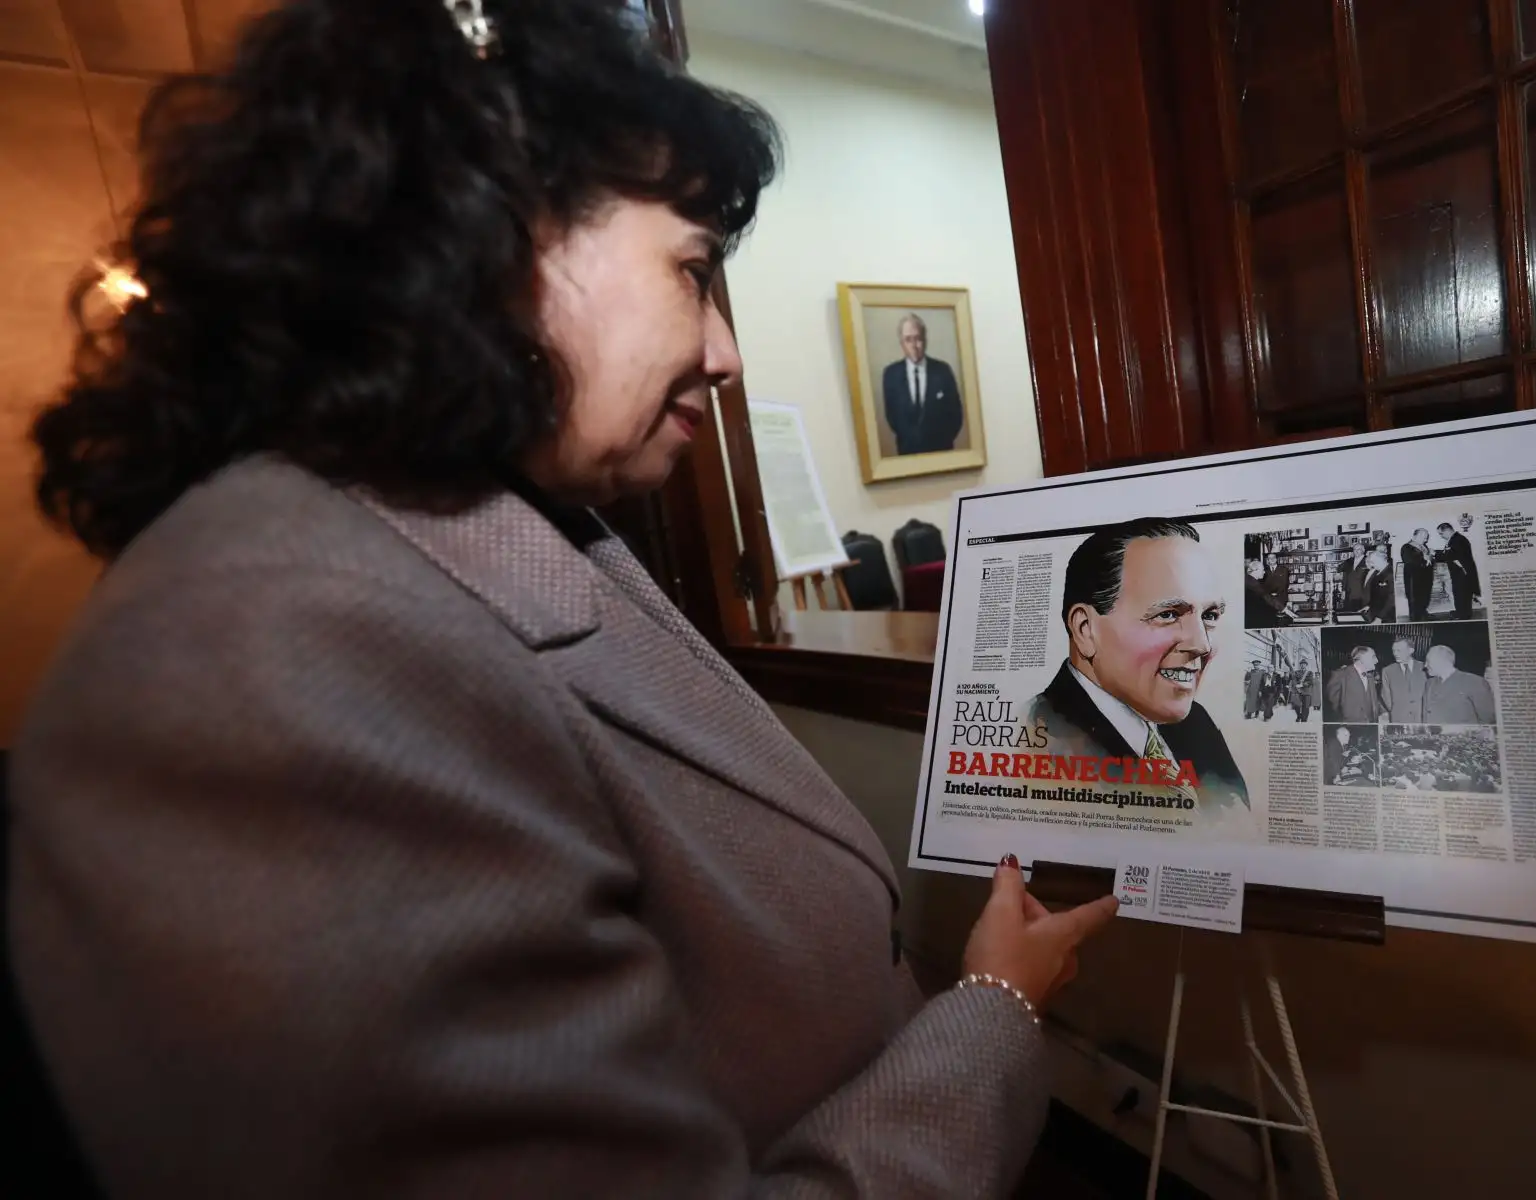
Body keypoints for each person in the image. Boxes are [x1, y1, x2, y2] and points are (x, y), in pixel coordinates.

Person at [6, 4, 1117, 1196]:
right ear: (492, 229)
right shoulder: (274, 657)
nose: (727, 353)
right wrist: (993, 1007)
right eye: (694, 269)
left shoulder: (510, 527)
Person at [1026, 518, 1248, 814]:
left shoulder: (1197, 726)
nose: (1202, 645)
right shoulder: (1036, 738)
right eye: (1168, 614)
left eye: (1209, 616)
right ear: (1085, 630)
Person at [881, 313, 964, 455]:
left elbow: (956, 415)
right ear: (901, 343)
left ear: (925, 340)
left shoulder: (943, 371)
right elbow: (892, 416)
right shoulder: (891, 374)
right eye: (908, 340)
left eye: (918, 339)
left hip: (941, 453)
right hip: (907, 455)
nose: (914, 346)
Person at [1422, 644, 1498, 724]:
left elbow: (1488, 719)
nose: (1425, 665)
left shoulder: (1474, 682)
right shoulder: (1429, 683)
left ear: (1441, 661)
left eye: (1428, 661)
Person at [1435, 520, 1481, 620]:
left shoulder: (1458, 540)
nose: (1441, 536)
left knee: (1462, 593)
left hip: (1462, 572)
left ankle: (1463, 615)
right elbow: (1449, 553)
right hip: (1460, 572)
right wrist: (1436, 552)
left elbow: (1451, 555)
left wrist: (1434, 554)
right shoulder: (1456, 539)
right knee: (1460, 592)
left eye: (1441, 533)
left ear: (1447, 530)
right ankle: (1461, 612)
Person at [1379, 634, 1429, 724]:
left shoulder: (1425, 668)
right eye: (1394, 651)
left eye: (1399, 650)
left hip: (1421, 718)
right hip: (1398, 718)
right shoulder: (1387, 670)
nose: (1395, 654)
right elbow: (1385, 694)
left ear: (1411, 650)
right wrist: (1396, 709)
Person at [1325, 645, 1382, 723]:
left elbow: (1373, 703)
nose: (1377, 661)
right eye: (1373, 657)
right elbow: (1333, 706)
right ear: (1362, 659)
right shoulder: (1340, 675)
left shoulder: (1370, 677)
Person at [1401, 528, 1435, 621]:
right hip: (1413, 578)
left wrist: (1430, 556)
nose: (1426, 540)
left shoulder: (1424, 546)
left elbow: (1429, 560)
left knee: (1425, 597)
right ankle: (1415, 619)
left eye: (1426, 538)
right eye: (1424, 537)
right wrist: (1424, 558)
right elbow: (1409, 561)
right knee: (1413, 599)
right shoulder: (1406, 547)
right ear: (1415, 536)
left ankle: (1423, 613)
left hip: (1426, 577)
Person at [1361, 548, 1396, 623]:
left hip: (1386, 616)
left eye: (1373, 562)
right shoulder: (1378, 573)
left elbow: (1391, 599)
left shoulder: (1390, 573)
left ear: (1381, 560)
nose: (1372, 565)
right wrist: (1369, 606)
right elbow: (1376, 595)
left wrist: (1380, 617)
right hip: (1376, 613)